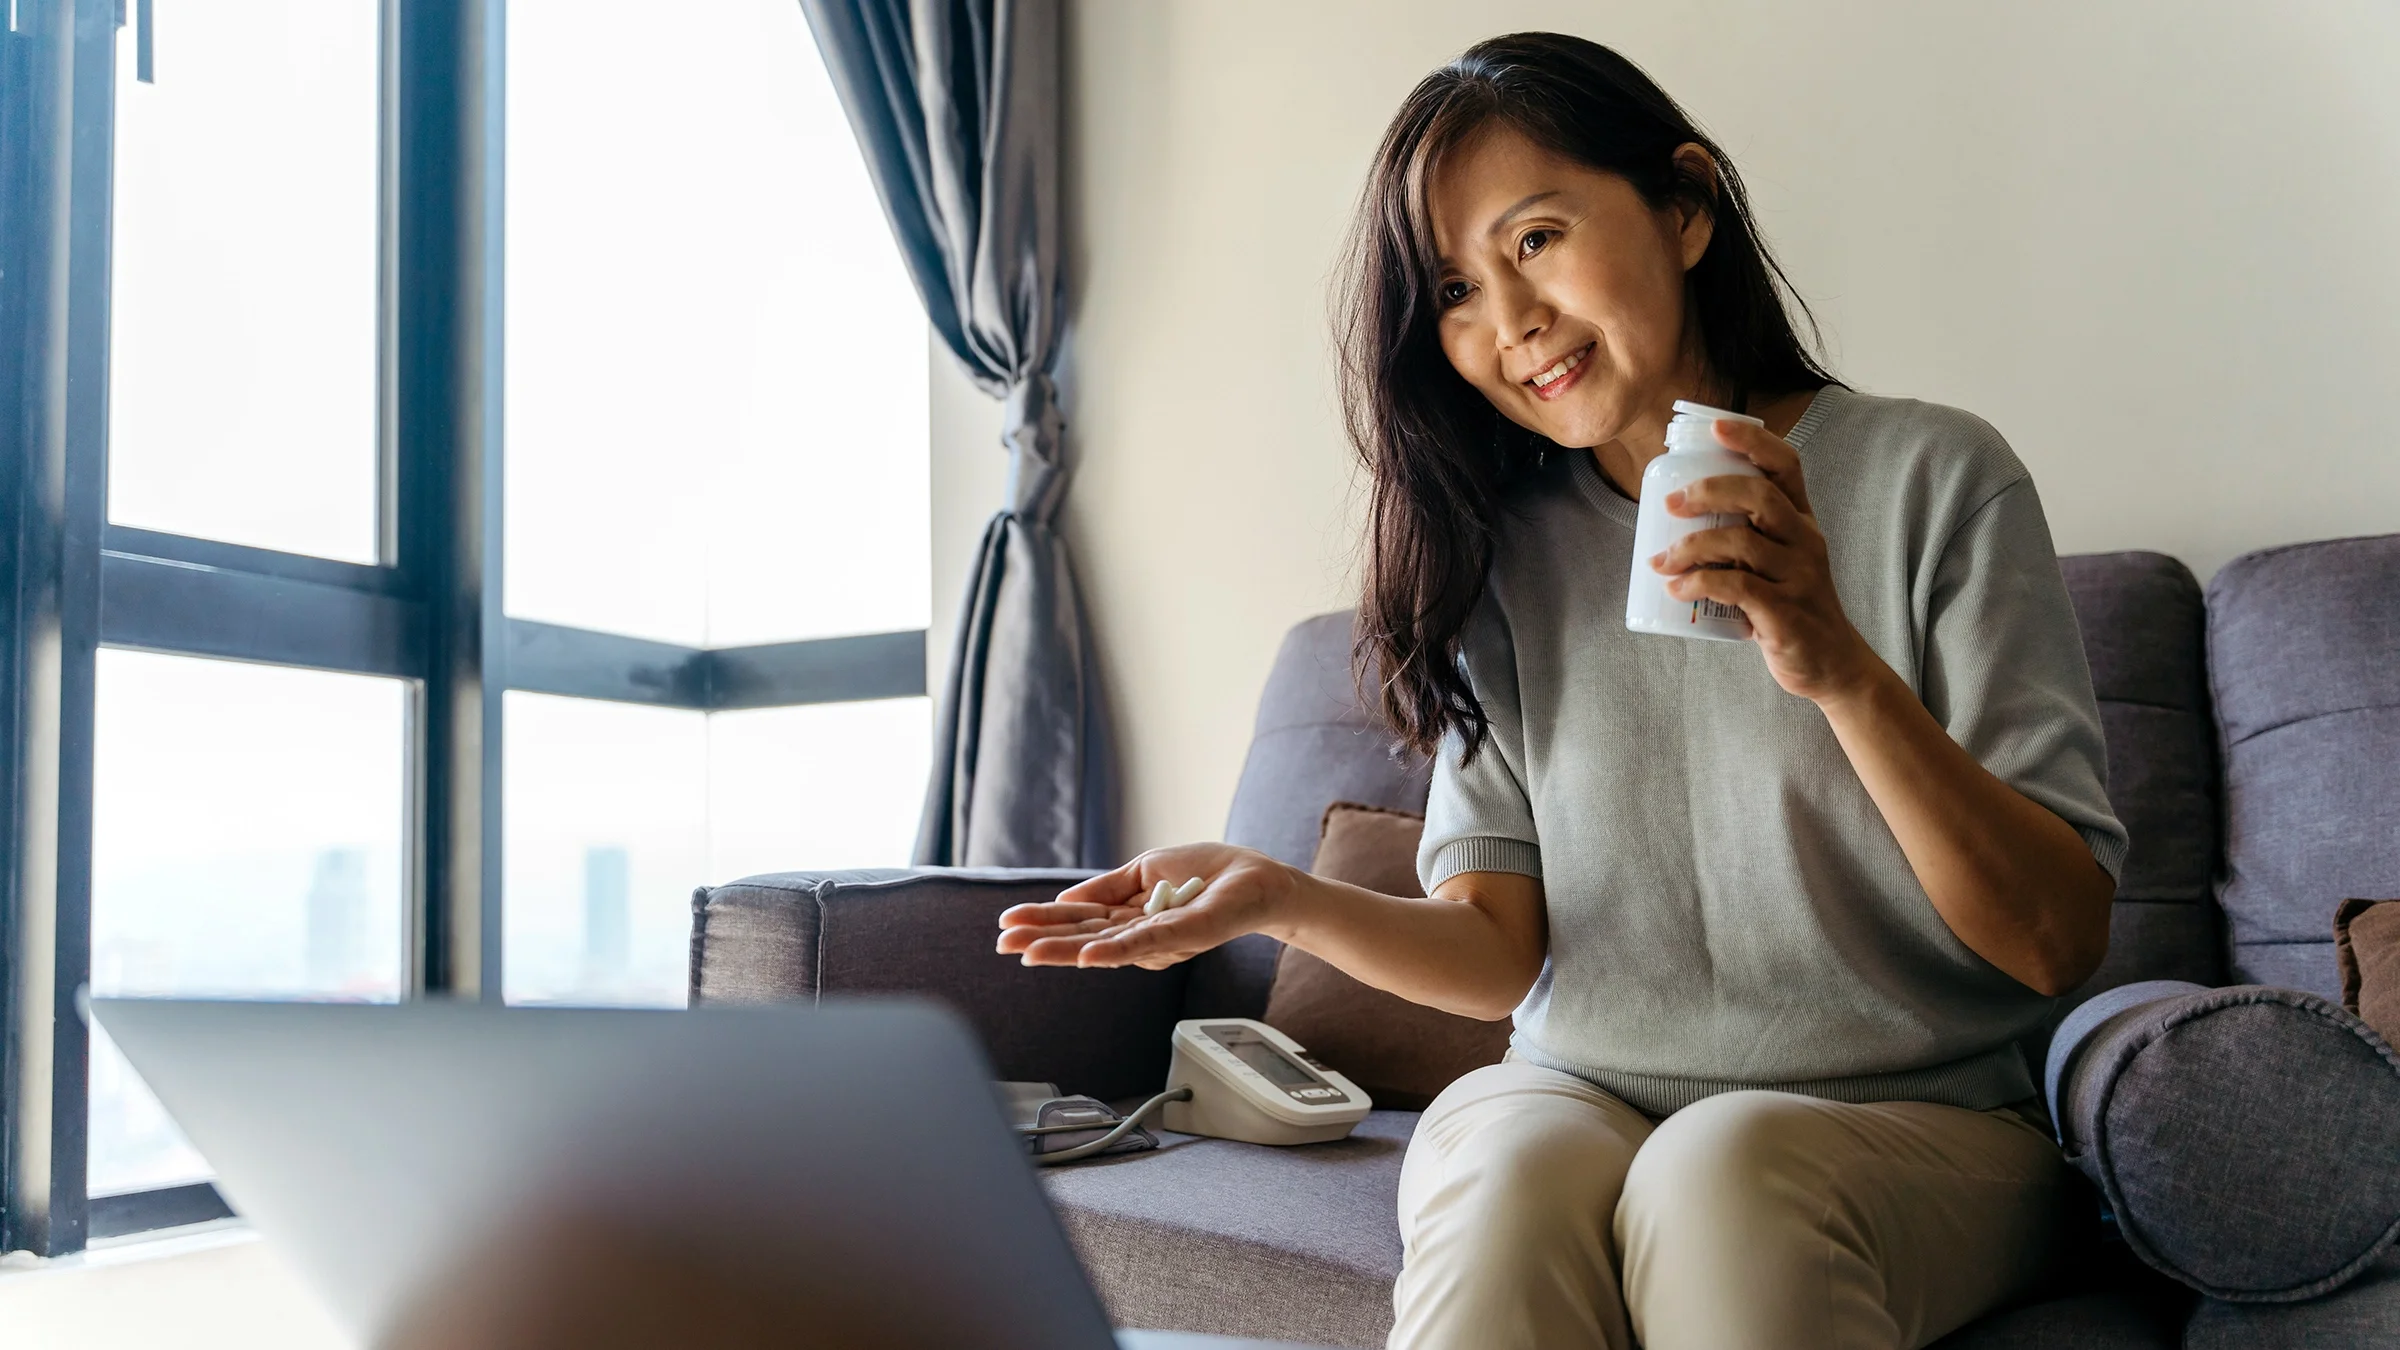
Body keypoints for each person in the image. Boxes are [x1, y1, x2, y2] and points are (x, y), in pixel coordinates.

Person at [996, 31, 2124, 1350]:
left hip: (1926, 1117)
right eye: (1456, 289)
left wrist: (1839, 669)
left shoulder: (1938, 480)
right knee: (1506, 1185)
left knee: (1723, 1172)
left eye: (1534, 238)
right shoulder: (1502, 556)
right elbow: (1497, 951)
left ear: (1687, 206)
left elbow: (2056, 938)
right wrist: (1280, 895)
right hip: (1577, 1086)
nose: (1508, 320)